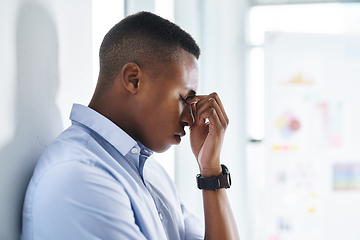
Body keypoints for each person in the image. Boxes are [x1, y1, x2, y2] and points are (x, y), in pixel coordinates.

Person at [21, 11, 239, 240]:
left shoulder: (151, 174)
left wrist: (211, 171)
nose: (190, 119)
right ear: (133, 79)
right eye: (185, 99)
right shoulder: (78, 176)